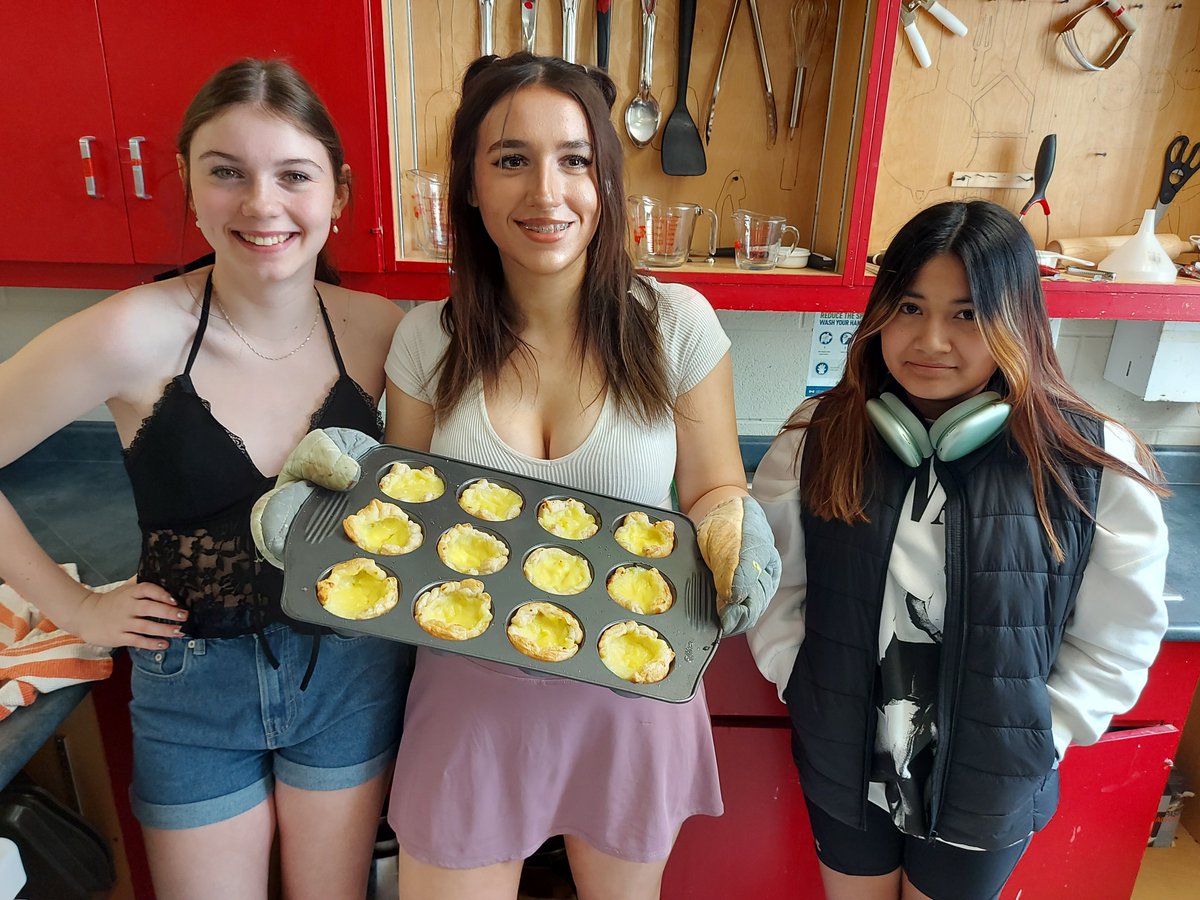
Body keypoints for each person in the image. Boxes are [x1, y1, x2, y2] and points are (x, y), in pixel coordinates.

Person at [0, 59, 413, 899]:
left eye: (293, 176)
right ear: (189, 187)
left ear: (338, 193)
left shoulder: (385, 335)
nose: (262, 205)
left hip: (352, 675)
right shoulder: (132, 332)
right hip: (191, 687)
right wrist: (74, 606)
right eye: (227, 173)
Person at [379, 53, 779, 899]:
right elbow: (403, 509)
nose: (546, 193)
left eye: (575, 159)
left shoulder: (676, 325)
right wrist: (344, 491)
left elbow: (714, 486)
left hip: (630, 682)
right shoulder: (427, 339)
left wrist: (733, 530)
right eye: (511, 159)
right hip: (471, 697)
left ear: (606, 180)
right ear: (471, 186)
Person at [747, 199, 1170, 900]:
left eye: (967, 314)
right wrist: (808, 687)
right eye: (910, 308)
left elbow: (1118, 639)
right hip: (846, 761)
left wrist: (1039, 735)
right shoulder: (818, 436)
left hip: (990, 779)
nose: (931, 340)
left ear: (1017, 323)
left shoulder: (1089, 463)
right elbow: (775, 592)